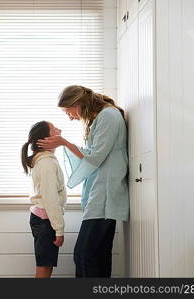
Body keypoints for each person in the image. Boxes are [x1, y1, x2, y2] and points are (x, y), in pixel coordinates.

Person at [37, 85, 129, 278]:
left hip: (105, 196)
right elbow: (93, 157)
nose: (69, 117)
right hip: (100, 195)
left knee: (84, 255)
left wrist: (64, 142)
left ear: (77, 104)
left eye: (68, 112)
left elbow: (94, 157)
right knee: (97, 256)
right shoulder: (101, 118)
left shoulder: (108, 117)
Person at [21, 121, 67, 278]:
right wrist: (59, 229)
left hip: (43, 219)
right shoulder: (46, 163)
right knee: (44, 267)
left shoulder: (45, 160)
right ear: (44, 140)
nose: (59, 130)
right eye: (54, 129)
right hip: (45, 221)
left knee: (46, 265)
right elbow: (51, 199)